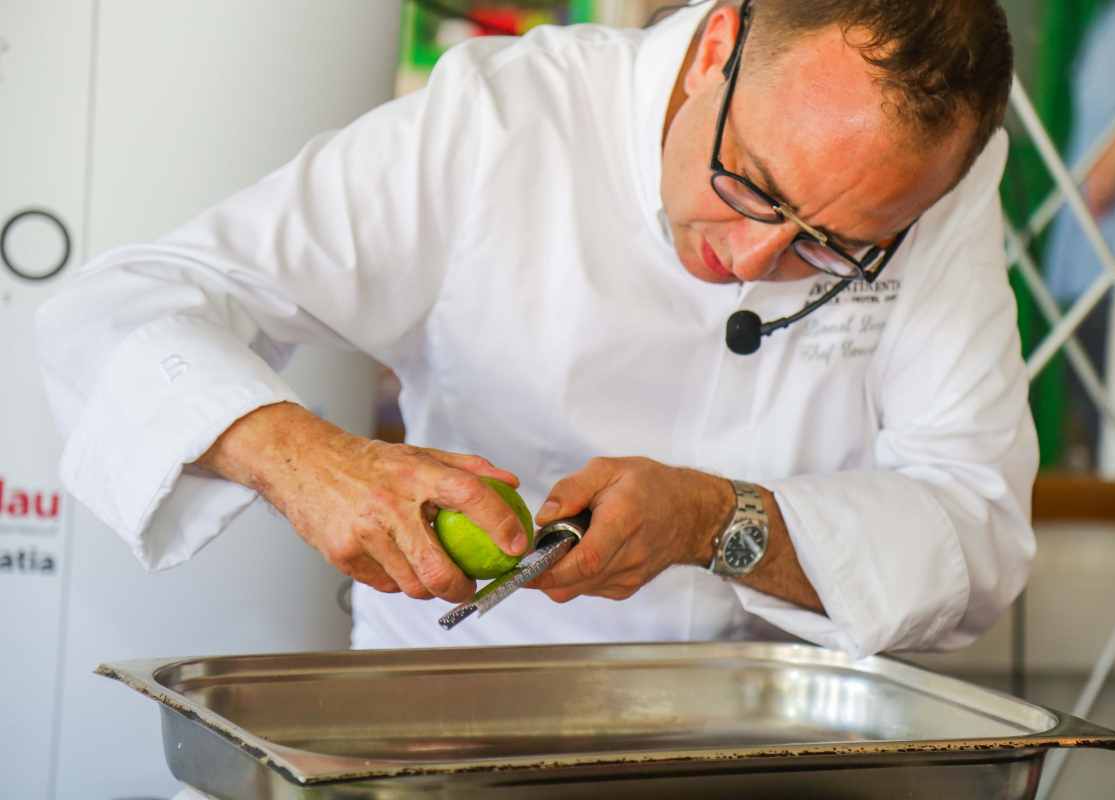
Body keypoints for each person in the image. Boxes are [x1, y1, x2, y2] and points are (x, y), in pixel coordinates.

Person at [37, 0, 1035, 660]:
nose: (750, 258)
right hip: (457, 709)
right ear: (716, 52)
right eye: (749, 183)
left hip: (752, 732)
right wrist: (304, 456)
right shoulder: (501, 120)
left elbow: (977, 532)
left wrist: (716, 520)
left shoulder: (935, 188)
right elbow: (118, 306)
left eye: (832, 246)